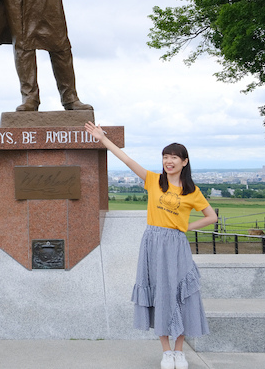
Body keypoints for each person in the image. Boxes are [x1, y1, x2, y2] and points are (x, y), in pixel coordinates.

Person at [84, 121, 218, 369]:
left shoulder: (192, 192)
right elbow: (126, 160)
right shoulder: (154, 181)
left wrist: (185, 227)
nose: (169, 161)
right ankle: (166, 352)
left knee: (180, 295)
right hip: (153, 244)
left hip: (177, 246)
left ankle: (180, 352)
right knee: (159, 293)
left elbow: (212, 217)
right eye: (166, 157)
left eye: (174, 157)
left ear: (184, 162)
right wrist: (102, 138)